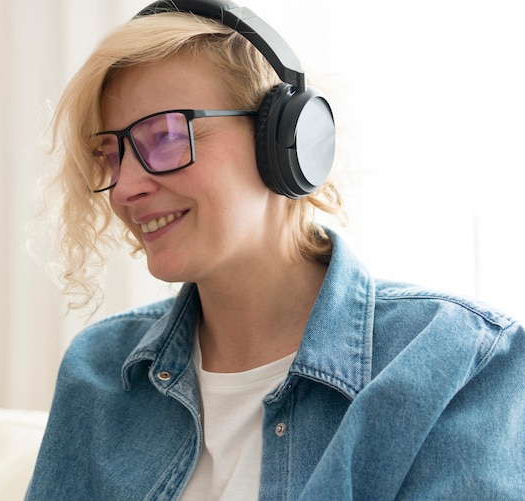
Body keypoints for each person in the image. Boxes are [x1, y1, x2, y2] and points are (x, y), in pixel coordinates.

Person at [26, 1, 525, 499]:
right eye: (109, 156)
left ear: (284, 140)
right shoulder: (98, 372)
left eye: (167, 136)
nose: (124, 188)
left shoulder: (461, 361)